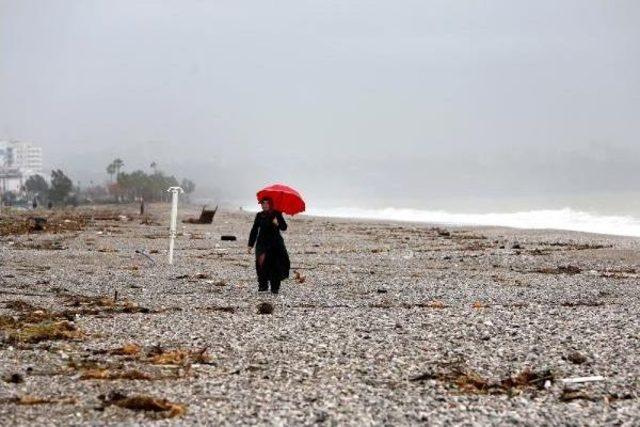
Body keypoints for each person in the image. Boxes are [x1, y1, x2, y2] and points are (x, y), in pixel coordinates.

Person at [247, 198, 290, 294]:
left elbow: (284, 227)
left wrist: (277, 223)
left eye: (266, 203)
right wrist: (250, 244)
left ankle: (275, 287)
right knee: (261, 264)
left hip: (275, 244)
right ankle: (263, 285)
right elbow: (254, 230)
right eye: (263, 203)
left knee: (275, 265)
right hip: (262, 244)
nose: (264, 205)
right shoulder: (259, 215)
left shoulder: (277, 213)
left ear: (270, 204)